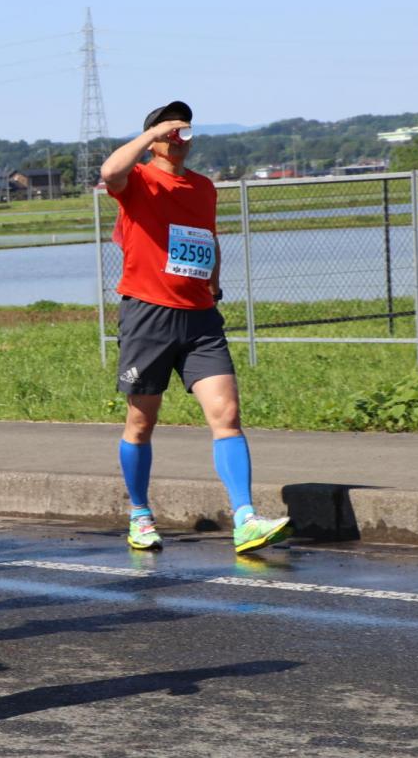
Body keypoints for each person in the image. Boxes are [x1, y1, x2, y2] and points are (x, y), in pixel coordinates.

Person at [101, 100, 291, 555]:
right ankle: (140, 513)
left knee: (226, 415)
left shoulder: (204, 186)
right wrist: (152, 135)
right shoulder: (139, 179)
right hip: (148, 315)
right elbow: (110, 172)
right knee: (140, 422)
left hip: (201, 317)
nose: (180, 138)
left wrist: (215, 284)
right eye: (172, 130)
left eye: (186, 130)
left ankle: (245, 518)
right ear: (155, 136)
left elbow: (207, 237)